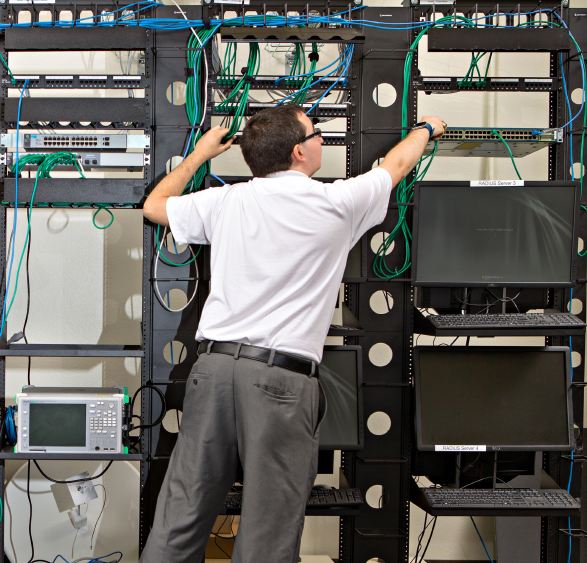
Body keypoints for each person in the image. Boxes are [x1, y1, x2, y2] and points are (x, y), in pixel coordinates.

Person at [139, 105, 445, 562]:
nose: (323, 140)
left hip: (214, 371)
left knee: (180, 514)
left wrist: (200, 155)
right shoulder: (337, 202)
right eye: (317, 134)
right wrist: (427, 128)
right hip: (278, 382)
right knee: (269, 531)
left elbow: (154, 206)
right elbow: (396, 165)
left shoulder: (225, 202)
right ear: (300, 152)